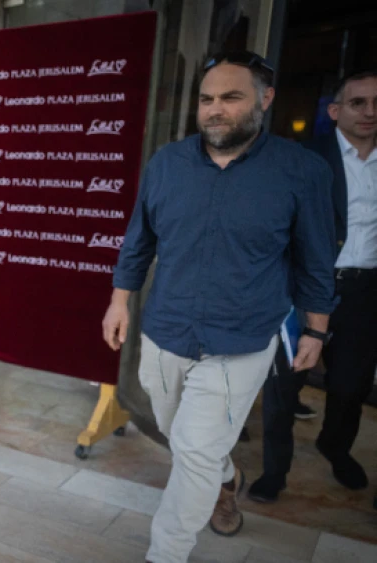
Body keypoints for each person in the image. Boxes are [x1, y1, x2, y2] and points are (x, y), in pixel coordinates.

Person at [102, 50, 338, 562]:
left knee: (194, 450)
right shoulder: (167, 163)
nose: (215, 109)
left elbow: (316, 259)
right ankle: (228, 475)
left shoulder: (302, 171)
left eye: (231, 97)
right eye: (207, 99)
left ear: (264, 99)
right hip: (165, 329)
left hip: (241, 339)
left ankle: (166, 553)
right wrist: (120, 302)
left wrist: (316, 332)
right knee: (176, 433)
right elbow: (138, 242)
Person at [249, 69, 377, 506]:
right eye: (358, 102)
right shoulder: (304, 159)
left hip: (365, 293)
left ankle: (334, 447)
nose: (370, 111)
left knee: (349, 387)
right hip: (303, 291)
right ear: (336, 111)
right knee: (285, 386)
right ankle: (274, 471)